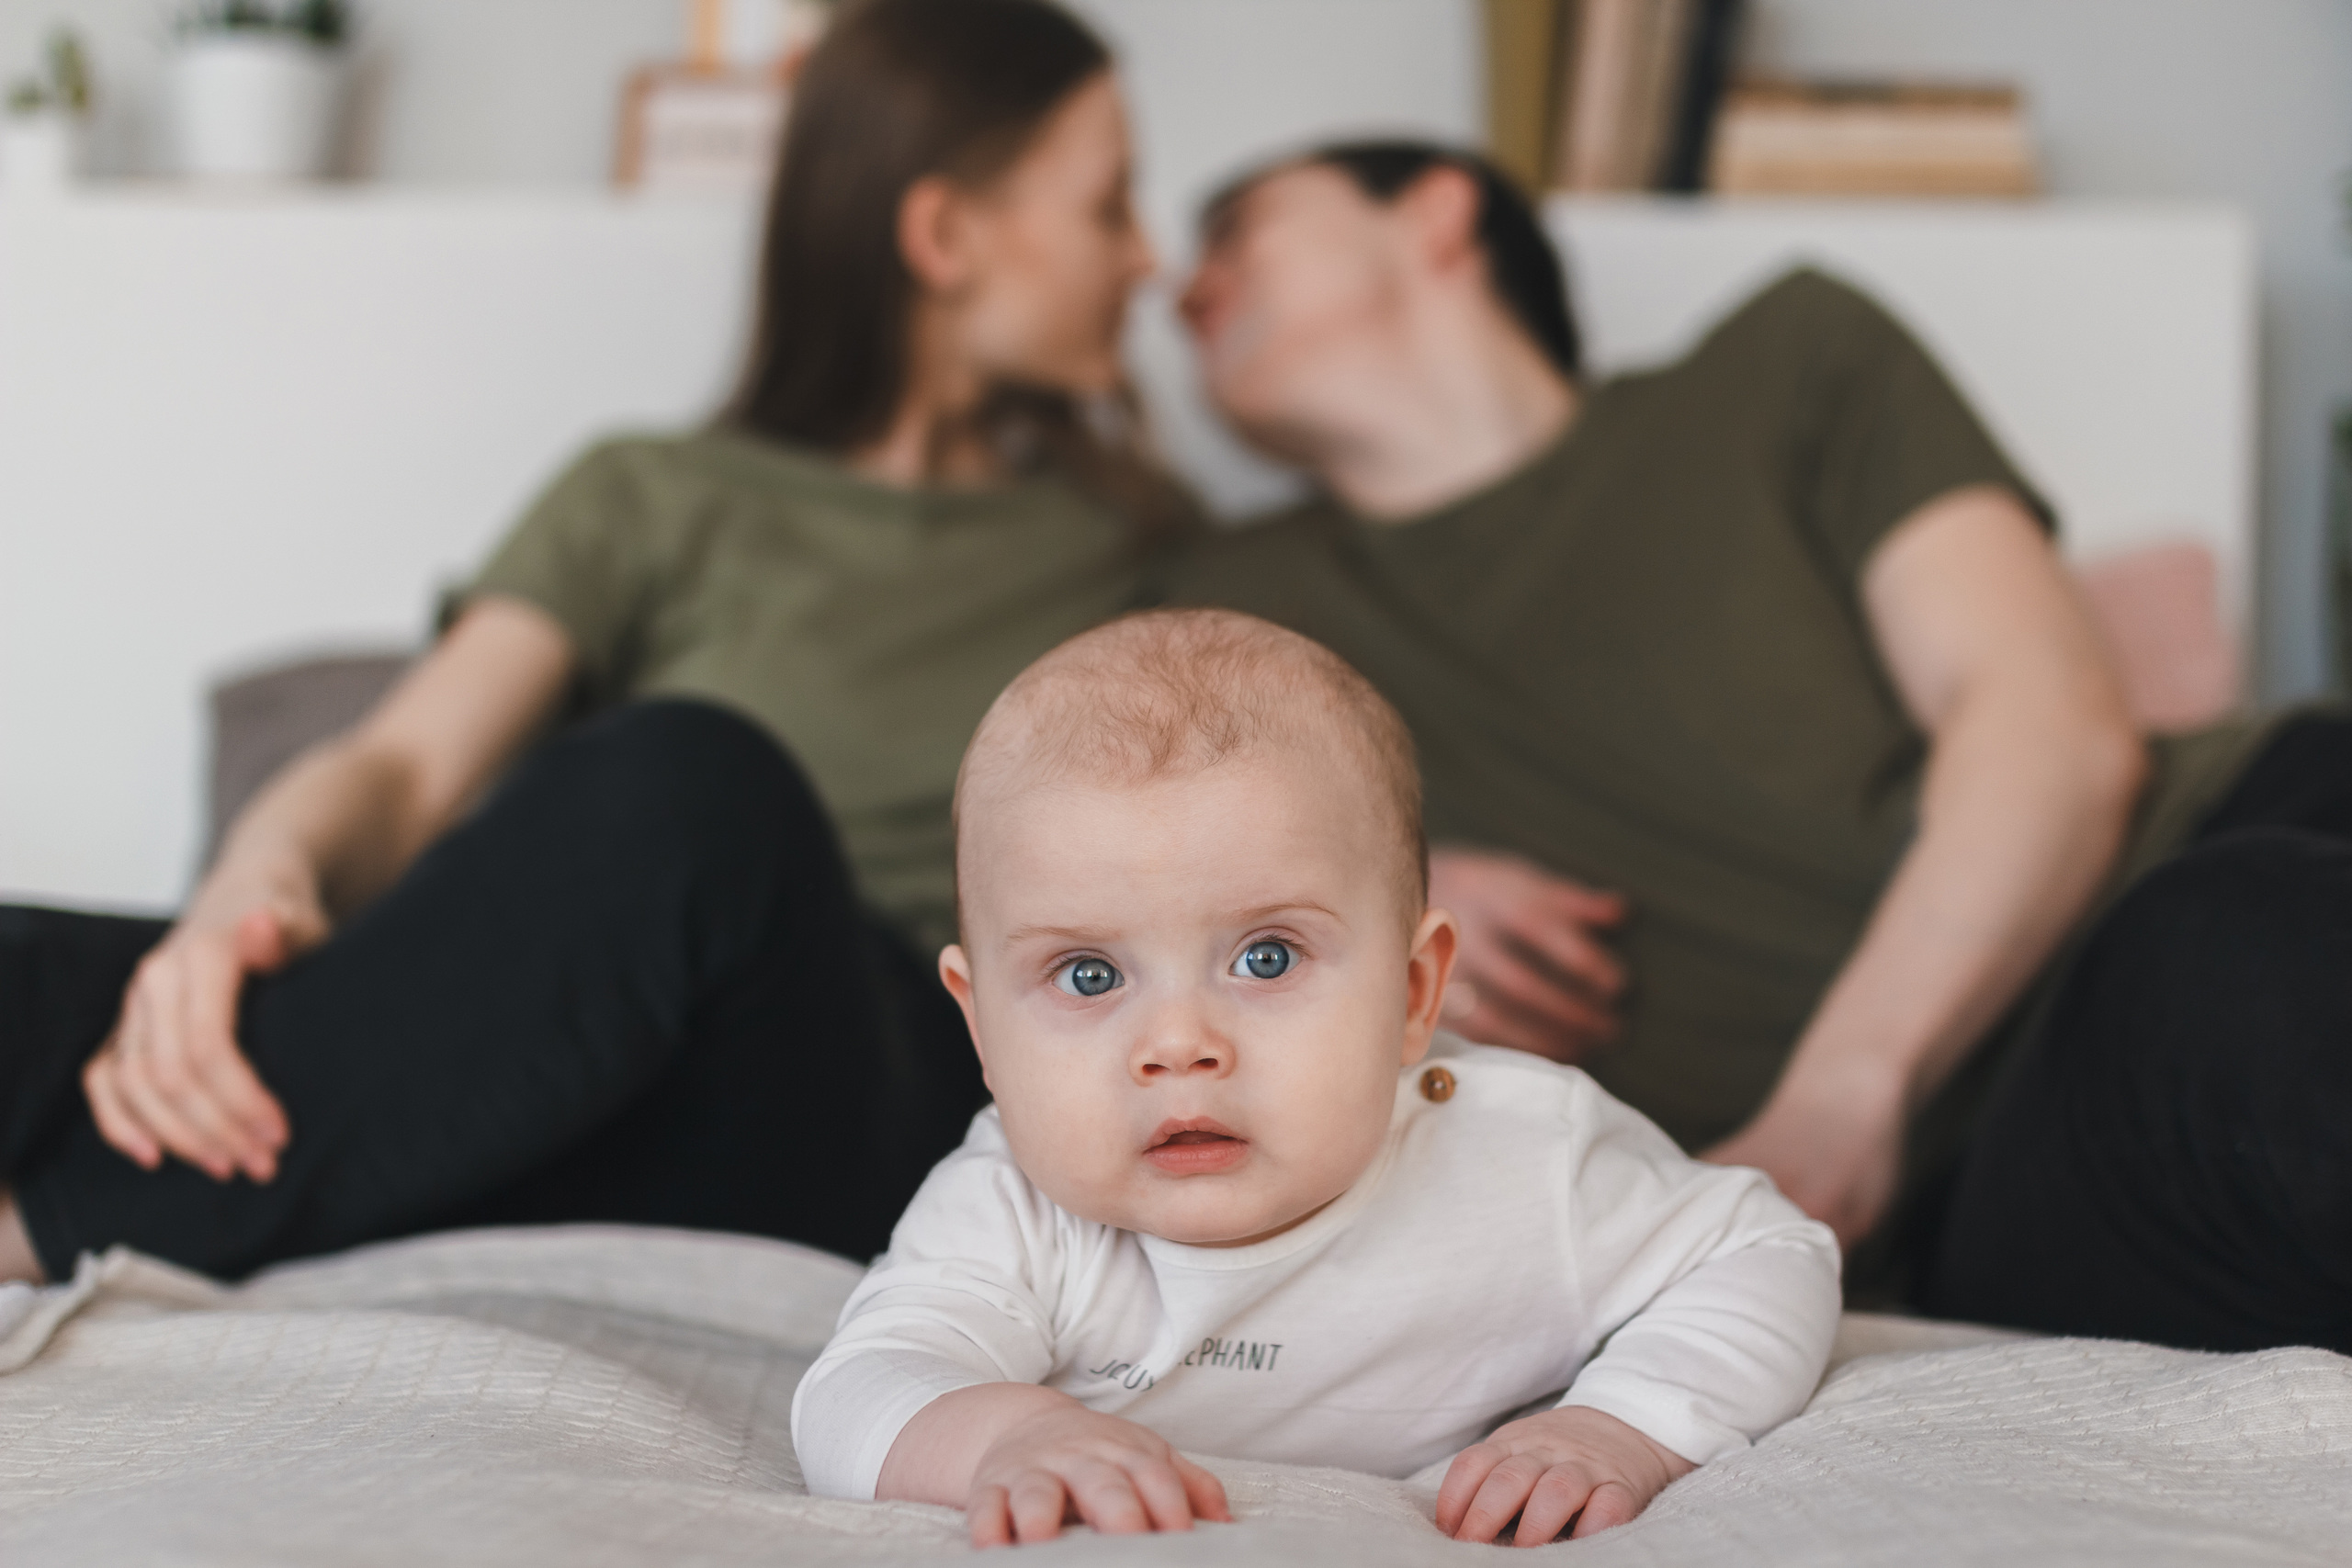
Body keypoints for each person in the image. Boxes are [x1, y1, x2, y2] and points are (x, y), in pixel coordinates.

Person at [0, 0, 1182, 1286]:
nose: (1148, 260)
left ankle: (43, 1232)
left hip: (874, 1087)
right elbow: (401, 771)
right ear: (945, 234)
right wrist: (246, 883)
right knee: (34, 976)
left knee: (698, 782)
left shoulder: (1138, 551)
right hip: (587, 1066)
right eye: (1111, 206)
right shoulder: (652, 491)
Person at [1166, 141, 2352, 1352]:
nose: (1182, 286)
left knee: (2247, 929)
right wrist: (1353, 920)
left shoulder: (1789, 361)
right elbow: (1096, 896)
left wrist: (1840, 1098)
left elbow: (2049, 722)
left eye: (1238, 229)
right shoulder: (1209, 619)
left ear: (1436, 212)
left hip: (2235, 827)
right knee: (2235, 961)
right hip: (2020, 1167)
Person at [790, 609, 1841, 1546]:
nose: (1178, 1045)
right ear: (979, 1028)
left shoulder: (1522, 1155)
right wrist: (1003, 1439)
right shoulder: (1012, 1206)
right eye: (1088, 973)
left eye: (1266, 958)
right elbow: (858, 1392)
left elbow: (1766, 1250)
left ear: (1415, 992)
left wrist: (1624, 1426)